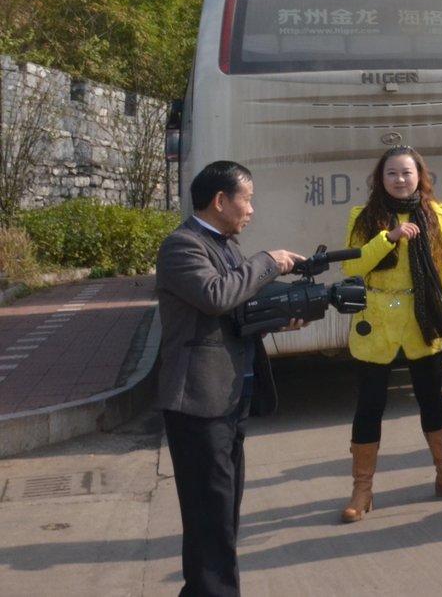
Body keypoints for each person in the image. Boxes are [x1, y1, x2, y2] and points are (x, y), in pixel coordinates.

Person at [156, 161, 302, 597]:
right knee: (210, 516)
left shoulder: (227, 246)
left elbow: (239, 311)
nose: (251, 210)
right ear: (220, 200)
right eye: (247, 199)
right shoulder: (182, 246)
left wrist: (280, 317)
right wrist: (267, 262)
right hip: (198, 401)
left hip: (231, 396)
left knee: (222, 514)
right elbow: (216, 296)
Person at [340, 145, 442, 523]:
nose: (400, 180)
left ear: (420, 176)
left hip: (423, 318)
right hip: (376, 321)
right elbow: (352, 268)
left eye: (407, 172)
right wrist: (389, 237)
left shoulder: (438, 214)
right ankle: (362, 490)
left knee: (432, 398)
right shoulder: (363, 216)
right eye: (392, 173)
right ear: (380, 178)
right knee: (369, 405)